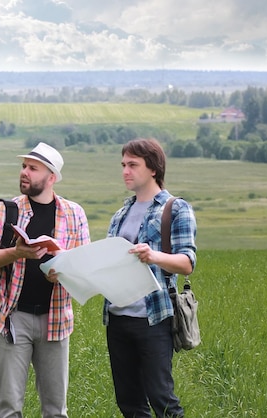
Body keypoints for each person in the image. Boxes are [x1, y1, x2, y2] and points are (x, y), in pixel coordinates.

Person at [0, 142, 91, 418]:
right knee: (9, 409)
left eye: (33, 168)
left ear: (51, 178)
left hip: (56, 320)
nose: (24, 172)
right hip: (13, 319)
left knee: (56, 411)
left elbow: (84, 267)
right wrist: (16, 253)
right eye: (23, 166)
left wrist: (61, 273)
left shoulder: (74, 214)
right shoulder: (7, 210)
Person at [104, 138, 197, 417]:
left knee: (162, 398)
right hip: (118, 317)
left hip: (154, 318)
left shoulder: (175, 208)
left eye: (133, 165)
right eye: (123, 165)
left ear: (153, 168)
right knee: (129, 401)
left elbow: (186, 262)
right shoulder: (121, 214)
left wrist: (153, 256)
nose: (125, 171)